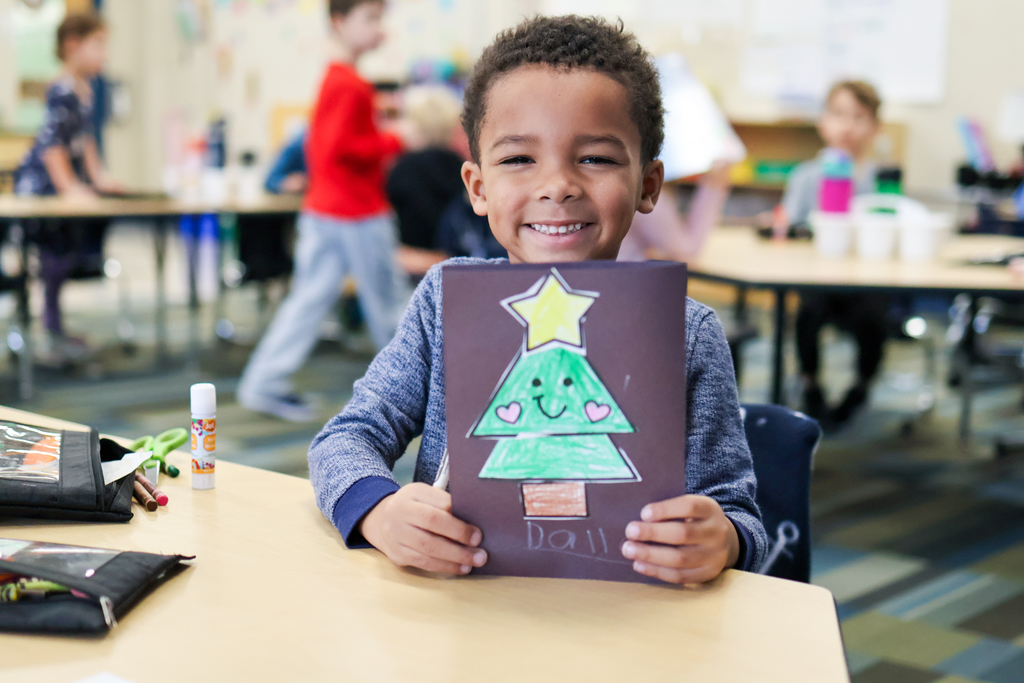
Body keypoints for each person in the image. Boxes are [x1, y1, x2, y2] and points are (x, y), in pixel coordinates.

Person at [308, 15, 767, 584]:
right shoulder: (444, 302)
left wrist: (721, 539)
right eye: (519, 159)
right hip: (463, 609)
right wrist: (377, 510)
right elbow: (345, 439)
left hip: (632, 623)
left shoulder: (684, 331)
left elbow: (740, 513)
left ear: (648, 185)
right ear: (478, 187)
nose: (558, 186)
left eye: (595, 158)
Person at [237, 0, 413, 422]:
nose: (379, 29)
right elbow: (336, 148)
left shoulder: (340, 80)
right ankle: (421, 390)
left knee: (311, 301)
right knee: (389, 306)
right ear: (339, 22)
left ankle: (263, 383)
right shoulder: (349, 84)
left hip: (330, 209)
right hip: (355, 211)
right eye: (370, 19)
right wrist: (394, 140)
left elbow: (319, 147)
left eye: (380, 19)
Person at [14, 12, 124, 362]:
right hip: (42, 186)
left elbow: (85, 141)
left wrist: (99, 178)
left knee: (63, 260)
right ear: (72, 46)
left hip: (65, 184)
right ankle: (50, 329)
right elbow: (52, 146)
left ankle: (56, 327)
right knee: (52, 261)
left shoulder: (86, 90)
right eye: (98, 46)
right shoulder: (60, 89)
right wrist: (71, 187)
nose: (104, 55)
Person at [778, 80, 888, 426]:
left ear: (874, 128)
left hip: (865, 281)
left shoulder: (879, 179)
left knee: (873, 317)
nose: (848, 126)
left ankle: (861, 385)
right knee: (808, 312)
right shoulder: (807, 176)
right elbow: (789, 223)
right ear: (823, 123)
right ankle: (810, 382)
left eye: (859, 117)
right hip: (819, 277)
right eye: (839, 115)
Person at [385, 86, 465, 278]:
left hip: (411, 262)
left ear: (416, 124)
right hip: (457, 260)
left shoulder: (403, 168)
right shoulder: (462, 167)